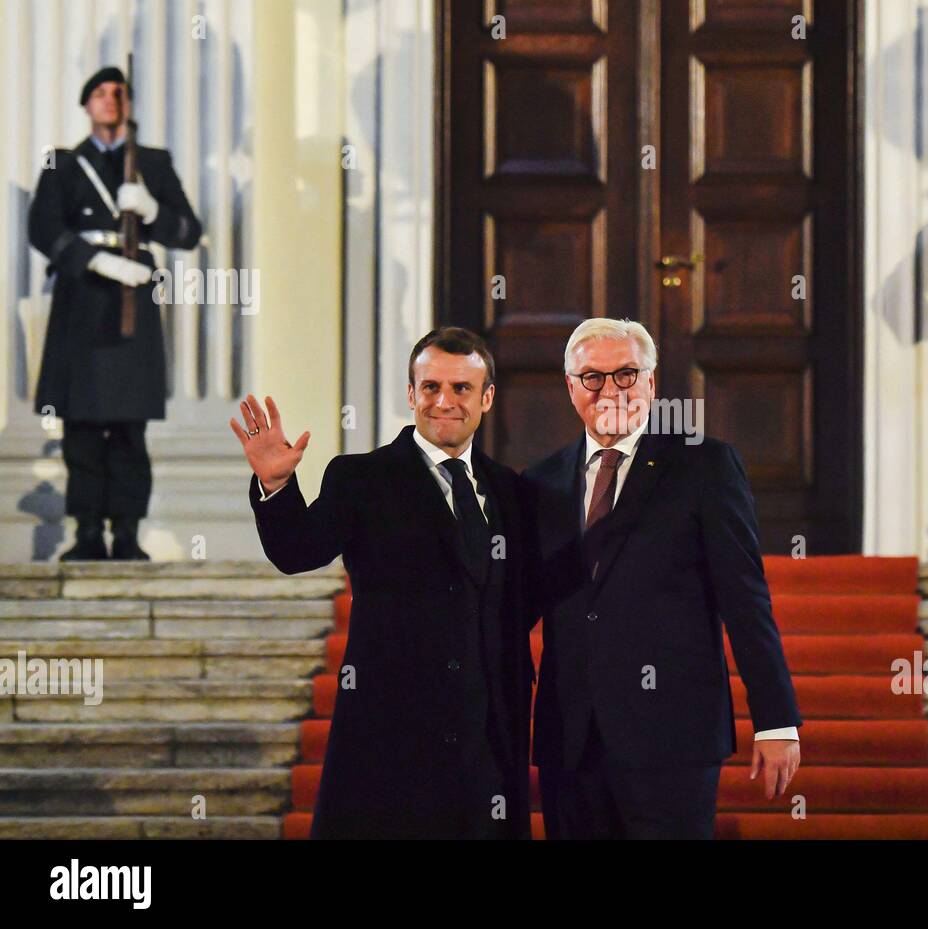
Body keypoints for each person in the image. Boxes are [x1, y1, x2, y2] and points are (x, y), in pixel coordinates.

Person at [232, 327, 533, 839]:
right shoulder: (361, 478)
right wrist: (277, 485)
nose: (445, 401)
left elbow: (524, 597)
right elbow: (296, 552)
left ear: (486, 398)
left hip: (488, 730)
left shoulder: (510, 488)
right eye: (431, 386)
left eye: (461, 389)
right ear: (411, 394)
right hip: (390, 725)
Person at [522, 318, 802, 839]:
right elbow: (516, 607)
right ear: (569, 386)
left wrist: (776, 720)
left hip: (673, 737)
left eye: (626, 374)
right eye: (593, 377)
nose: (610, 390)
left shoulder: (704, 466)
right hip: (572, 739)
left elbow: (745, 599)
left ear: (651, 383)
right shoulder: (540, 482)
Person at [29, 66, 202, 560]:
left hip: (134, 303)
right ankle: (86, 533)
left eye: (119, 93)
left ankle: (126, 533)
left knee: (129, 427)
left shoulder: (151, 162)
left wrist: (151, 210)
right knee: (81, 427)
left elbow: (187, 231)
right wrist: (94, 259)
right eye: (100, 94)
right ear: (87, 105)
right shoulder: (64, 164)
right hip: (82, 300)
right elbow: (42, 228)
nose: (111, 101)